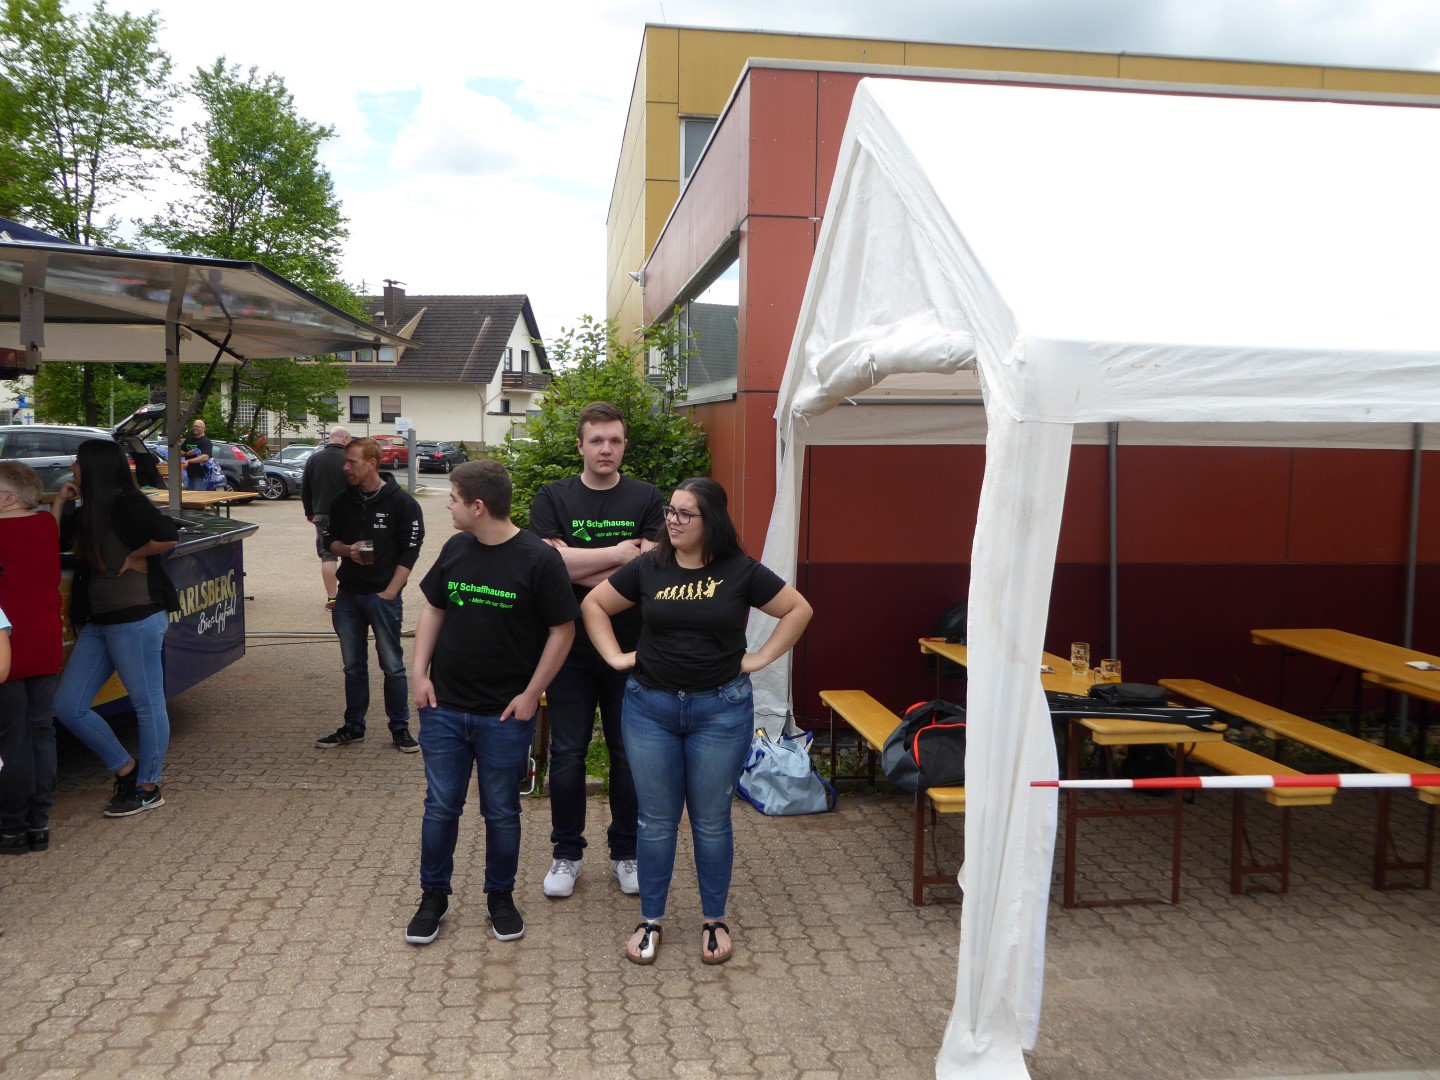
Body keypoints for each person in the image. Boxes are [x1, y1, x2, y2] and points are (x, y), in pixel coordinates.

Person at [582, 477, 812, 966]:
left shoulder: (740, 570)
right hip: (650, 710)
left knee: (711, 821)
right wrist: (615, 656)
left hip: (720, 711)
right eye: (671, 511)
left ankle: (713, 920)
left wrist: (759, 658)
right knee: (655, 821)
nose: (673, 520)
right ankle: (650, 920)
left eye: (685, 514)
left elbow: (798, 609)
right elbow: (594, 604)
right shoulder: (649, 566)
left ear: (712, 521)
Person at [405, 460, 577, 945]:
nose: (449, 506)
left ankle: (500, 896)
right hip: (443, 709)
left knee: (501, 812)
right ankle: (433, 897)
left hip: (504, 716)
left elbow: (563, 630)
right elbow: (434, 607)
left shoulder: (539, 559)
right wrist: (419, 674)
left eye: (454, 499)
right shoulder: (456, 548)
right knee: (441, 807)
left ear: (478, 506)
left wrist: (531, 694)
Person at [528, 401, 663, 899]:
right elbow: (549, 565)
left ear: (624, 446)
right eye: (597, 440)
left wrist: (577, 562)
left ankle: (626, 852)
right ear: (580, 446)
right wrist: (620, 555)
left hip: (631, 651)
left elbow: (652, 567)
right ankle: (566, 853)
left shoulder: (647, 497)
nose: (606, 448)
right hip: (569, 649)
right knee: (567, 753)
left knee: (629, 755)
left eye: (615, 440)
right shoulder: (553, 496)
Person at [50, 439, 180, 817]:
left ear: (94, 468)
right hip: (100, 621)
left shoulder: (127, 503)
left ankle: (148, 787)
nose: (72, 468)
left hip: (136, 617)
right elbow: (50, 542)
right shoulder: (90, 509)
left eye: (77, 463)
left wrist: (136, 555)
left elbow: (167, 534)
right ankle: (126, 769)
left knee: (147, 705)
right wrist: (59, 502)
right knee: (68, 706)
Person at [317, 436, 425, 752]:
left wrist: (390, 592)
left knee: (392, 665)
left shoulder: (402, 503)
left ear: (372, 464)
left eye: (352, 462)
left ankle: (400, 728)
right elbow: (329, 542)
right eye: (346, 461)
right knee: (353, 666)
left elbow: (411, 551)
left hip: (382, 597)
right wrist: (345, 550)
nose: (345, 467)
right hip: (348, 596)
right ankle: (353, 727)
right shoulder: (342, 501)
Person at [0, 462, 62, 854]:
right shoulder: (45, 526)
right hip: (44, 643)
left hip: (6, 648)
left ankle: (11, 827)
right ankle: (39, 823)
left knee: (12, 739)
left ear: (8, 498)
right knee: (41, 731)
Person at [301, 426, 351, 611]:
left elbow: (305, 488)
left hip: (322, 513)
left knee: (327, 555)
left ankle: (332, 598)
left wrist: (309, 512)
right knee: (352, 553)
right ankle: (352, 595)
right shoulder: (350, 459)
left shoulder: (314, 458)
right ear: (345, 439)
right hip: (349, 514)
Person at [178, 419, 213, 491]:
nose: (195, 428)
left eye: (198, 427)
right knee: (188, 495)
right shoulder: (189, 440)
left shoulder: (206, 441)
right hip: (187, 474)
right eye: (194, 426)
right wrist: (186, 453)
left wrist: (188, 461)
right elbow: (178, 452)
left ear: (203, 429)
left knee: (197, 495)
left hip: (200, 475)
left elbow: (205, 457)